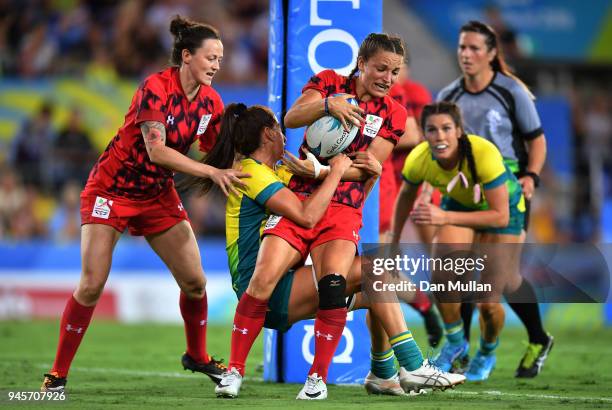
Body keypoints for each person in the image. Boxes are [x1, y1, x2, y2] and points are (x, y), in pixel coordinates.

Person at [185, 103, 465, 399]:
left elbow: (339, 201)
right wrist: (336, 172)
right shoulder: (251, 173)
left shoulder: (276, 171)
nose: (284, 136)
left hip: (279, 287)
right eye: (279, 130)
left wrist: (367, 177)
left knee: (376, 284)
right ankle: (409, 365)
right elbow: (308, 215)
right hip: (264, 293)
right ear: (268, 134)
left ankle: (383, 373)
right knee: (372, 271)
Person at [41, 16, 248, 392]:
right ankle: (57, 374)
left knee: (196, 283)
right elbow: (157, 151)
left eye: (221, 58)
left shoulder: (211, 103)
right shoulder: (155, 88)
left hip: (156, 196)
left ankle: (197, 356)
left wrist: (251, 162)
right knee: (90, 286)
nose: (218, 65)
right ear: (187, 56)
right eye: (211, 58)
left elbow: (219, 154)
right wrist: (208, 173)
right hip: (111, 190)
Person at [437, 20, 552, 378]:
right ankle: (462, 351)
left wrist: (530, 177)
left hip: (508, 191)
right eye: (461, 47)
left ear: (490, 54)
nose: (466, 54)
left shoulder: (511, 92)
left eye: (473, 48)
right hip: (464, 191)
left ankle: (538, 338)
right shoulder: (448, 96)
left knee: (500, 279)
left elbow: (537, 140)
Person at [392, 101, 534, 382]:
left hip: (505, 212)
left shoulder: (484, 154)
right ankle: (457, 344)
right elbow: (406, 196)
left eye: (446, 128)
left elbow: (499, 216)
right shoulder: (419, 158)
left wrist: (442, 216)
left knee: (488, 304)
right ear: (423, 134)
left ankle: (487, 350)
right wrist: (393, 240)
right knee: (442, 280)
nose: (439, 136)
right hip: (459, 206)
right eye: (431, 130)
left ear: (459, 131)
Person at [383, 57, 444, 348]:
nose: (393, 74)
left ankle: (446, 318)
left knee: (437, 256)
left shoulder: (411, 94)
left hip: (412, 184)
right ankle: (423, 305)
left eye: (398, 68)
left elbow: (418, 137)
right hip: (387, 186)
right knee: (380, 265)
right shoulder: (386, 93)